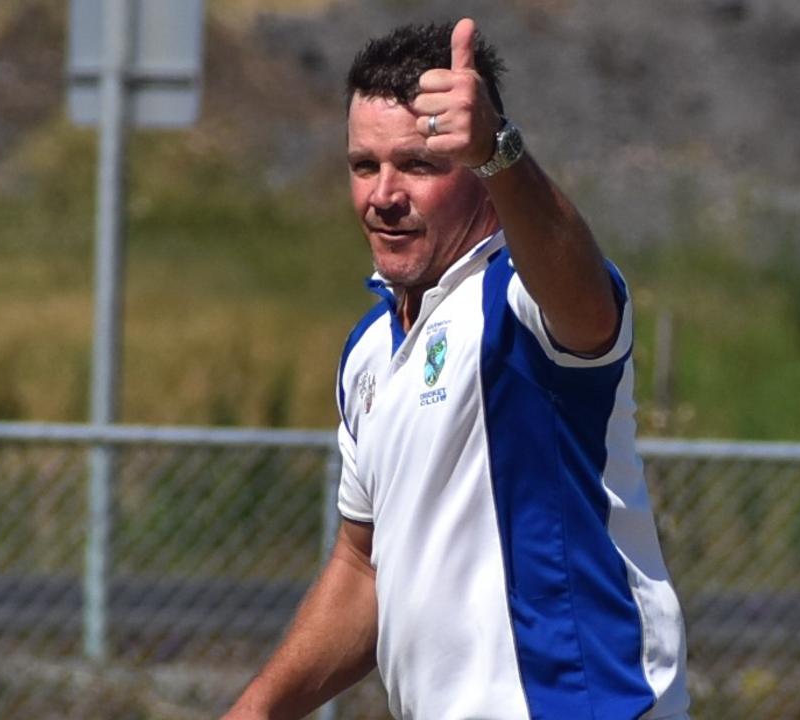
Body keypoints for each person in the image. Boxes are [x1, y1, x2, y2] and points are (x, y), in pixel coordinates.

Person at [224, 17, 689, 720]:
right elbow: (363, 568)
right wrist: (259, 708)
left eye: (416, 165)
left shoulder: (520, 300)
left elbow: (588, 307)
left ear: (475, 170)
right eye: (363, 166)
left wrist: (500, 154)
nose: (383, 194)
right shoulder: (370, 353)